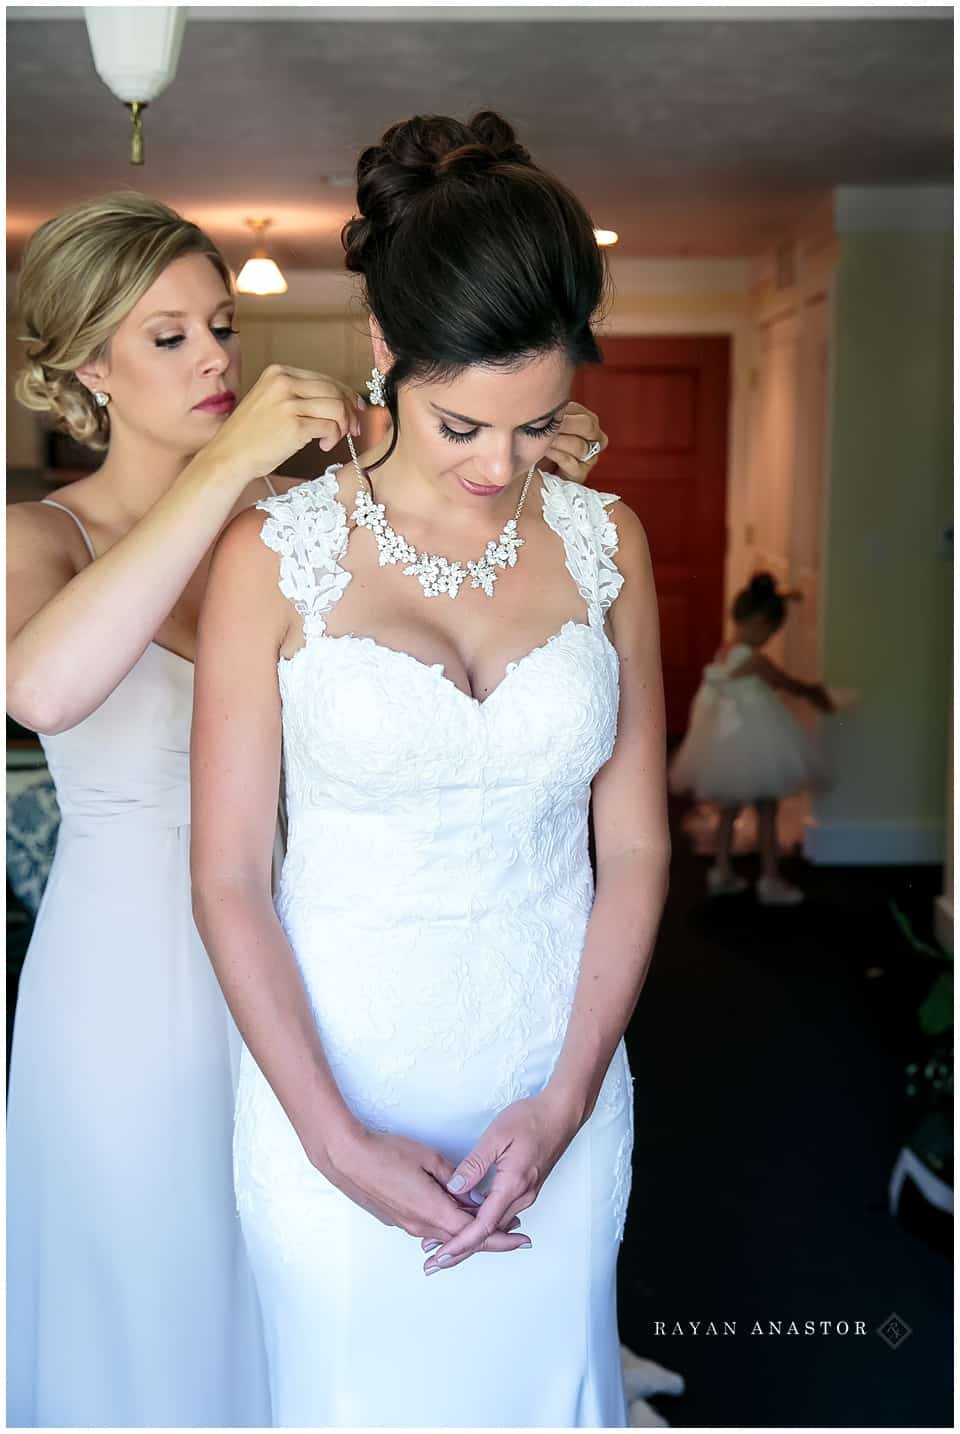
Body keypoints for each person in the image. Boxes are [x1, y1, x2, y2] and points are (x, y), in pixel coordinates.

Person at [5, 189, 613, 1428]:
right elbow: (43, 691)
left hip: (317, 962)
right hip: (131, 982)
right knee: (157, 1299)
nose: (217, 356)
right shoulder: (42, 534)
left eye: (220, 324)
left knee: (316, 1302)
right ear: (86, 366)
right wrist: (232, 461)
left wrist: (509, 447)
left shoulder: (294, 527)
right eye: (167, 335)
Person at [191, 110, 670, 1429]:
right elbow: (230, 875)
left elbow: (634, 845)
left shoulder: (607, 543)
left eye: (539, 424)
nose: (500, 467)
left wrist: (569, 1093)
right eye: (465, 421)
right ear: (386, 350)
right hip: (335, 1078)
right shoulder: (267, 558)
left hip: (554, 1065)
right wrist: (332, 1137)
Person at [668, 571, 836, 906]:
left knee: (729, 811)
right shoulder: (755, 659)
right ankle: (770, 879)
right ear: (761, 623)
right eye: (772, 631)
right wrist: (813, 692)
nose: (769, 638)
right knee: (768, 809)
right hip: (756, 744)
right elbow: (786, 683)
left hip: (730, 744)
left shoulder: (725, 650)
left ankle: (722, 872)